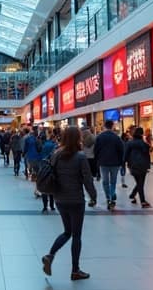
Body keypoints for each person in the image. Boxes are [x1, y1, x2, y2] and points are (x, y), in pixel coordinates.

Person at [41, 126, 97, 281]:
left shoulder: (56, 154)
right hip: (76, 200)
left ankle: (50, 255)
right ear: (78, 138)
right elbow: (87, 179)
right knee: (76, 235)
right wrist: (93, 196)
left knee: (67, 232)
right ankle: (75, 270)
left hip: (60, 199)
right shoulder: (80, 157)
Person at [94, 119, 125, 210]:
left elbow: (96, 150)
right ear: (112, 126)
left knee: (105, 181)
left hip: (103, 162)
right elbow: (121, 150)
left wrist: (98, 160)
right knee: (113, 181)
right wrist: (121, 162)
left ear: (104, 126)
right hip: (115, 163)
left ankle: (108, 197)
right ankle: (112, 196)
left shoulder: (100, 137)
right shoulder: (116, 137)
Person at [124, 127, 152, 208]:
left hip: (133, 165)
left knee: (139, 183)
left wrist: (124, 164)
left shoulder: (129, 143)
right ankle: (142, 201)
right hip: (143, 166)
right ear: (142, 134)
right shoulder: (144, 144)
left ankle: (133, 195)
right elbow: (147, 154)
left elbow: (126, 155)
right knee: (140, 183)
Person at [40, 133, 58, 212]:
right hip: (51, 167)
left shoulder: (44, 145)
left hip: (43, 166)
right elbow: (54, 156)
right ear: (53, 138)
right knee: (51, 186)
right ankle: (52, 205)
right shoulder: (54, 146)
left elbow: (41, 153)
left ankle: (45, 206)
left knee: (44, 186)